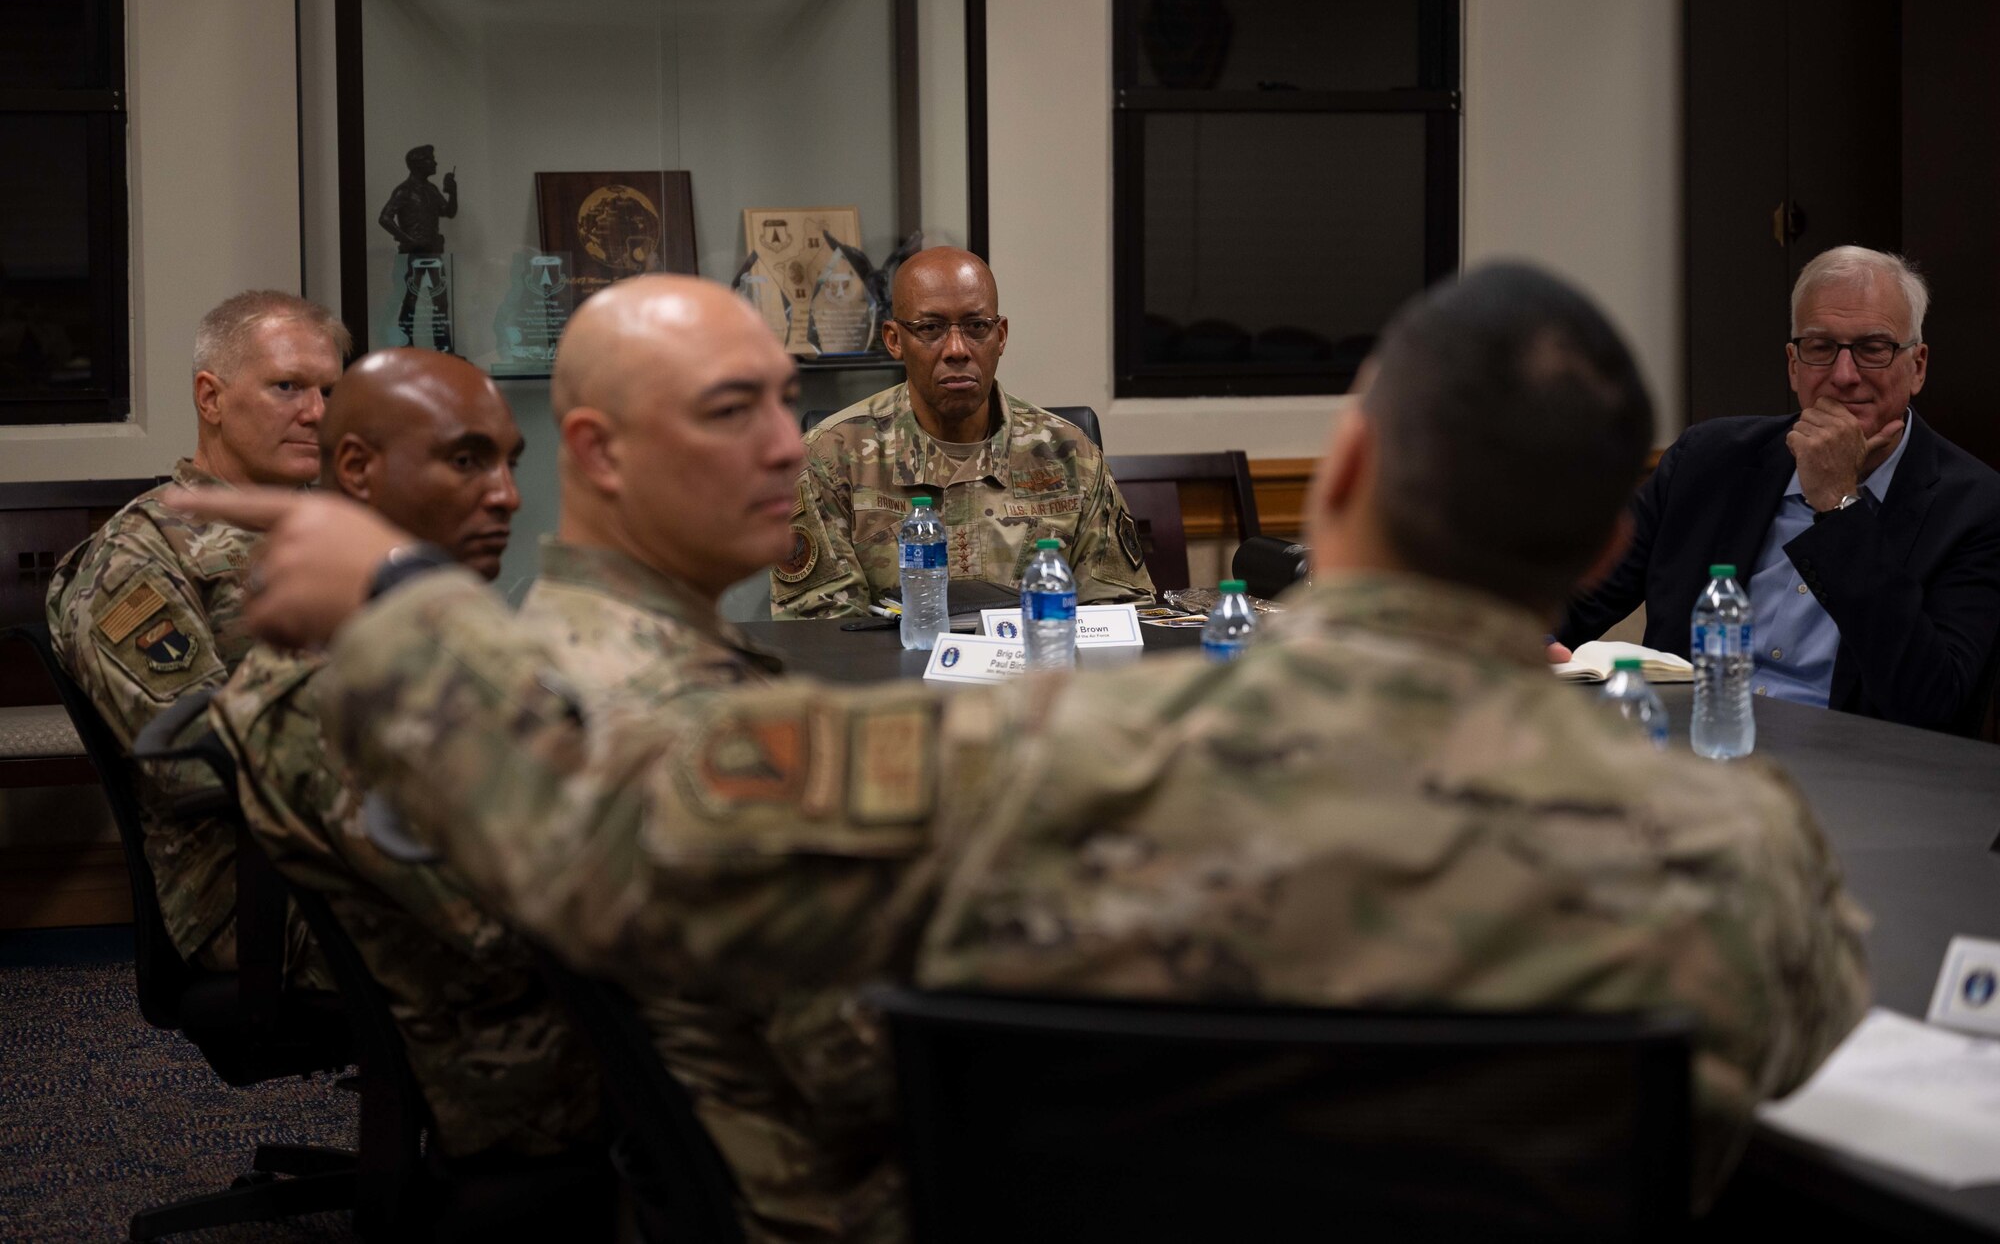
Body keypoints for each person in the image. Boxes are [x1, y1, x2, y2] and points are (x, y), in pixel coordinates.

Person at [177, 263, 1869, 1223]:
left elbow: (606, 832)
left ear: (1338, 480)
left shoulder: (1040, 762)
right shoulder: (1759, 862)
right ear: (1599, 553)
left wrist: (405, 614)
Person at [204, 348, 607, 1162]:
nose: (507, 495)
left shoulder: (418, 646)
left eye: (509, 463)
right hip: (563, 1087)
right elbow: (559, 912)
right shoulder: (343, 682)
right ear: (356, 468)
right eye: (467, 461)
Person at [1557, 246, 2000, 734]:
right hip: (1688, 750)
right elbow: (1573, 599)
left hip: (1858, 776)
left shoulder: (1976, 506)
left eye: (1873, 348)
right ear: (1793, 365)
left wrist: (1838, 506)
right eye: (1819, 348)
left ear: (1917, 366)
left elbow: (1935, 706)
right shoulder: (1707, 460)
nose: (1843, 376)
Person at [46, 289, 346, 975]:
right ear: (210, 398)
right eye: (287, 386)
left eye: (328, 389)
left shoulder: (333, 531)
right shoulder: (138, 556)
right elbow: (200, 755)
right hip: (262, 893)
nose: (318, 413)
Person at [772, 246, 1153, 618]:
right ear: (893, 340)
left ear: (1000, 336)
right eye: (931, 329)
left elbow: (1118, 616)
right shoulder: (830, 458)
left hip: (1035, 676)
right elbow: (822, 634)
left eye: (976, 327)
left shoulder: (1070, 455)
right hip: (898, 678)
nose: (957, 349)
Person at [379, 144, 457, 348]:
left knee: (440, 302)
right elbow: (385, 218)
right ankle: (407, 347)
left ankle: (443, 348)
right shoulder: (404, 190)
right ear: (418, 164)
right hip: (412, 256)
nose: (435, 163)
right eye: (430, 160)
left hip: (433, 254)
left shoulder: (431, 190)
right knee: (410, 301)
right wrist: (407, 240)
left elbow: (449, 211)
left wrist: (453, 191)